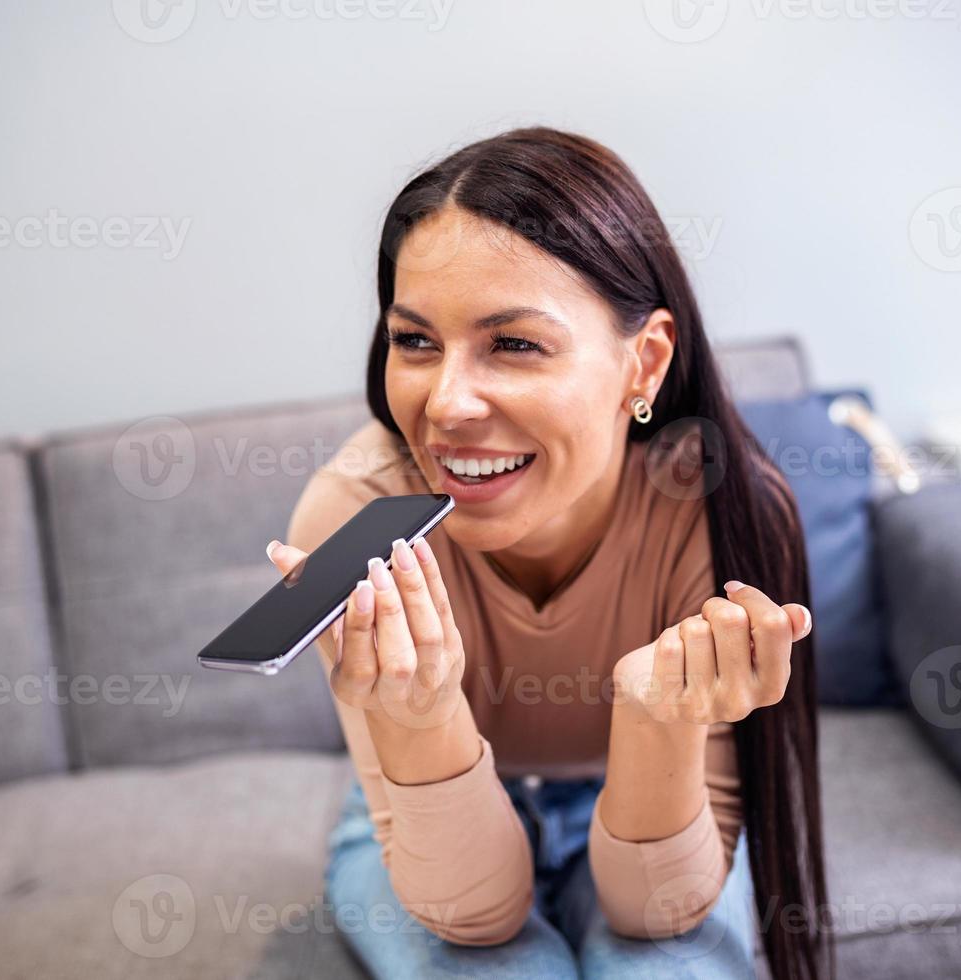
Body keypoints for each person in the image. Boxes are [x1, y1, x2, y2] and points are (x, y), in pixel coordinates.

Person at [269, 127, 830, 979]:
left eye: (515, 343)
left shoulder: (718, 515)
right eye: (416, 341)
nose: (447, 405)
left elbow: (655, 915)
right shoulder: (354, 513)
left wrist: (657, 721)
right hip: (435, 821)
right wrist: (418, 718)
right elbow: (479, 921)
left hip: (641, 790)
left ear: (643, 364)